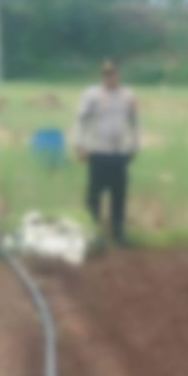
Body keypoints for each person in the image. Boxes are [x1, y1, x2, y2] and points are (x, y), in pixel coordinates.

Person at [72, 59, 139, 247]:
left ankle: (118, 234)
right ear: (102, 76)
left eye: (112, 74)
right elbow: (81, 120)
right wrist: (79, 145)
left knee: (119, 195)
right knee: (94, 195)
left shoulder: (128, 96)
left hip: (119, 153)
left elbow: (134, 122)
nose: (110, 78)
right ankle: (95, 233)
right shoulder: (91, 95)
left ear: (118, 75)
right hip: (98, 152)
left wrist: (134, 146)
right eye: (106, 74)